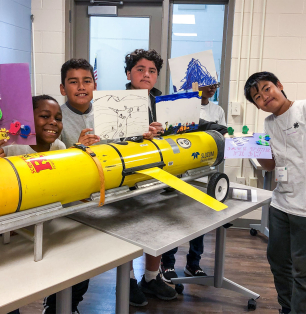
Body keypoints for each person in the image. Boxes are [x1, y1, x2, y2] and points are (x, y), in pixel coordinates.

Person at [244, 71, 306, 314]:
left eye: (266, 88)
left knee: (305, 273)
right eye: (257, 97)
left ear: (279, 85)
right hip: (281, 204)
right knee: (278, 262)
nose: (264, 97)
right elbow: (271, 165)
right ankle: (287, 308)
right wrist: (252, 147)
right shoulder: (269, 124)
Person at [0, 95, 88, 314]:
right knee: (9, 288)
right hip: (13, 232)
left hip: (47, 227)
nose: (53, 122)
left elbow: (67, 182)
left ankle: (57, 307)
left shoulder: (59, 147)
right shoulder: (11, 149)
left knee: (78, 275)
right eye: (44, 116)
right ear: (27, 120)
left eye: (58, 118)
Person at [124, 49, 178, 306]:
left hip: (159, 172)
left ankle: (151, 277)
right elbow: (110, 141)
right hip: (128, 175)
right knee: (125, 229)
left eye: (152, 71)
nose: (146, 74)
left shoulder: (164, 102)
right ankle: (127, 283)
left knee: (157, 225)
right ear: (128, 73)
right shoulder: (116, 101)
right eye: (140, 69)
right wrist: (138, 135)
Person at [160, 82, 227, 282]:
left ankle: (193, 263)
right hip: (179, 171)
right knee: (172, 219)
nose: (212, 88)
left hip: (204, 171)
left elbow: (221, 134)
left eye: (215, 84)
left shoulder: (216, 110)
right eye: (208, 84)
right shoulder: (181, 107)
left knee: (200, 221)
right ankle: (168, 263)